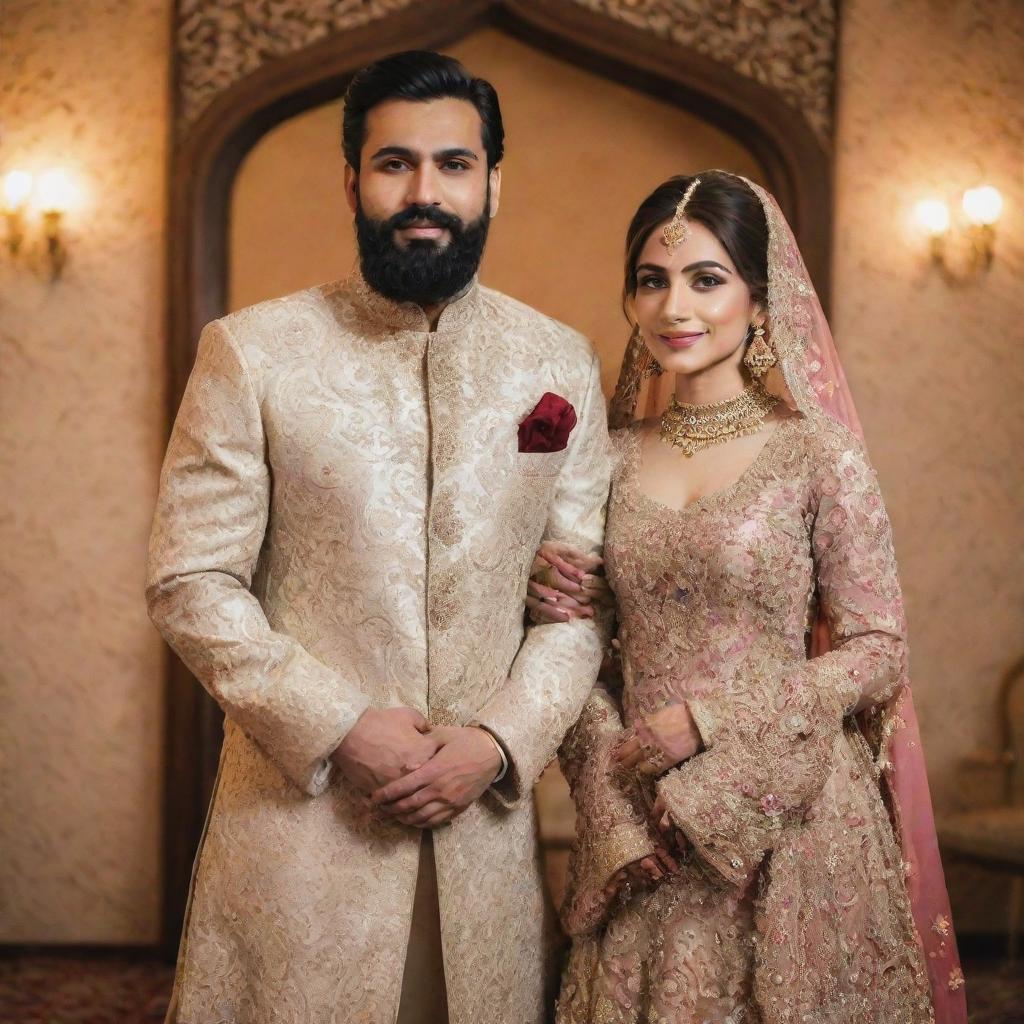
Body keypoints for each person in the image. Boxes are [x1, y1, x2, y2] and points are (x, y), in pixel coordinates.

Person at [146, 51, 612, 1024]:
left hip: (482, 834)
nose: (424, 191)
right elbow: (191, 580)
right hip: (302, 831)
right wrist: (338, 725)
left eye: (453, 163)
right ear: (352, 180)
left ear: (492, 180)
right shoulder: (254, 350)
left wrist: (498, 740)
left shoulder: (556, 358)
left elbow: (579, 602)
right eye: (395, 163)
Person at [528, 170, 967, 1023]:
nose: (673, 308)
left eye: (706, 279)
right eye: (652, 281)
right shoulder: (605, 459)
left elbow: (878, 649)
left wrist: (712, 721)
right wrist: (613, 813)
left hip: (793, 814)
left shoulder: (816, 455)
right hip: (647, 828)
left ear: (760, 302)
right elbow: (577, 644)